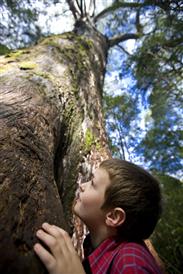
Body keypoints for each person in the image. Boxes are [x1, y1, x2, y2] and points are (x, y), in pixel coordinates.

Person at [34, 158, 164, 274]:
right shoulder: (95, 248)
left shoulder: (131, 261)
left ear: (113, 216)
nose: (82, 185)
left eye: (93, 184)